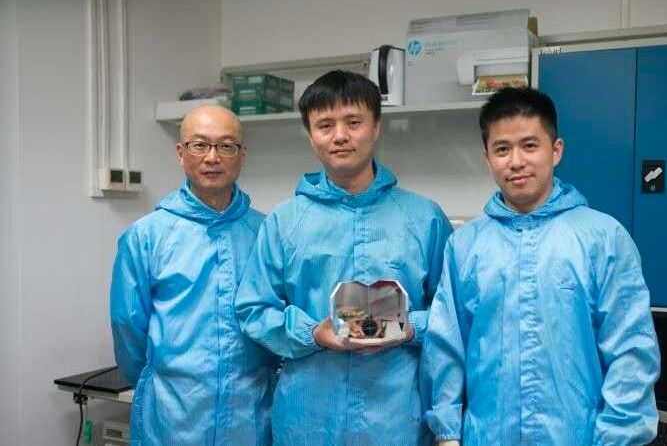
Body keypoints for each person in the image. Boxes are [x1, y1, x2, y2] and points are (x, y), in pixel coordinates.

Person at [422, 87, 660, 446]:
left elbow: (631, 351)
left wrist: (618, 438)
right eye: (502, 149)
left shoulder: (603, 238)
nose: (516, 161)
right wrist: (447, 434)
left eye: (529, 145)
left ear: (556, 150)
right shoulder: (465, 246)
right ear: (487, 158)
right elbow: (446, 346)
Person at [235, 70, 453, 446]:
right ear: (310, 135)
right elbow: (254, 309)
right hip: (308, 418)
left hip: (397, 419)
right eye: (325, 125)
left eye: (353, 122)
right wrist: (312, 333)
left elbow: (453, 310)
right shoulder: (284, 222)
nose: (340, 136)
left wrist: (409, 327)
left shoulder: (424, 218)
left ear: (376, 127)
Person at [110, 105, 274, 445]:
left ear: (242, 155)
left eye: (226, 146)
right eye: (199, 145)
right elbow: (128, 327)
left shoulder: (265, 233)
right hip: (172, 415)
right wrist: (164, 380)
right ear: (180, 152)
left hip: (249, 412)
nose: (212, 157)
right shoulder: (146, 236)